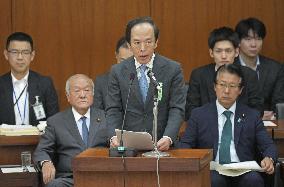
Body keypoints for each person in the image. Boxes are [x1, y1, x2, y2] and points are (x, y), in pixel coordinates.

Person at [179, 64, 277, 187]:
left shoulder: (251, 115)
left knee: (253, 180)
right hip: (214, 168)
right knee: (213, 180)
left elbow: (268, 145)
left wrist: (269, 158)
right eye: (222, 85)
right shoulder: (199, 114)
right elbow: (186, 144)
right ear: (215, 86)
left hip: (243, 169)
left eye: (232, 86)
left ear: (240, 90)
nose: (226, 91)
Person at [107, 16, 185, 151]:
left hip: (161, 145)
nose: (143, 48)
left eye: (148, 42)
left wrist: (168, 137)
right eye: (137, 43)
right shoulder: (118, 71)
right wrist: (114, 136)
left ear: (156, 42)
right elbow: (113, 109)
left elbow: (177, 108)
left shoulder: (173, 69)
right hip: (128, 146)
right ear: (129, 44)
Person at [33, 74, 109, 187]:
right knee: (54, 186)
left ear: (93, 94)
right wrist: (45, 162)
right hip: (70, 179)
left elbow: (118, 143)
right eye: (77, 91)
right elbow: (42, 150)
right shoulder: (56, 121)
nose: (82, 95)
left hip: (101, 177)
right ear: (68, 96)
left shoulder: (106, 118)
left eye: (87, 90)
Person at [185, 27, 263, 121]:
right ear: (211, 53)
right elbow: (191, 110)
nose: (224, 56)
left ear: (237, 52)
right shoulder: (199, 75)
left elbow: (257, 109)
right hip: (207, 129)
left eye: (228, 51)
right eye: (218, 51)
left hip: (240, 128)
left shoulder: (249, 75)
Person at [0, 32, 59, 125]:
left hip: (38, 139)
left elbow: (54, 120)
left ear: (32, 55)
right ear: (6, 54)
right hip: (5, 139)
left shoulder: (45, 83)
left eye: (25, 52)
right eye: (15, 52)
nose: (20, 57)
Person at [235, 17, 284, 120]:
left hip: (267, 123)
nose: (254, 44)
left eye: (258, 39)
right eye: (248, 39)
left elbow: (279, 102)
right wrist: (255, 115)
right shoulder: (230, 67)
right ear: (238, 42)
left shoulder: (275, 68)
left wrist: (273, 115)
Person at [93, 36, 133, 110]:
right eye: (123, 61)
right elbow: (97, 115)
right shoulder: (101, 82)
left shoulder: (150, 80)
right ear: (116, 56)